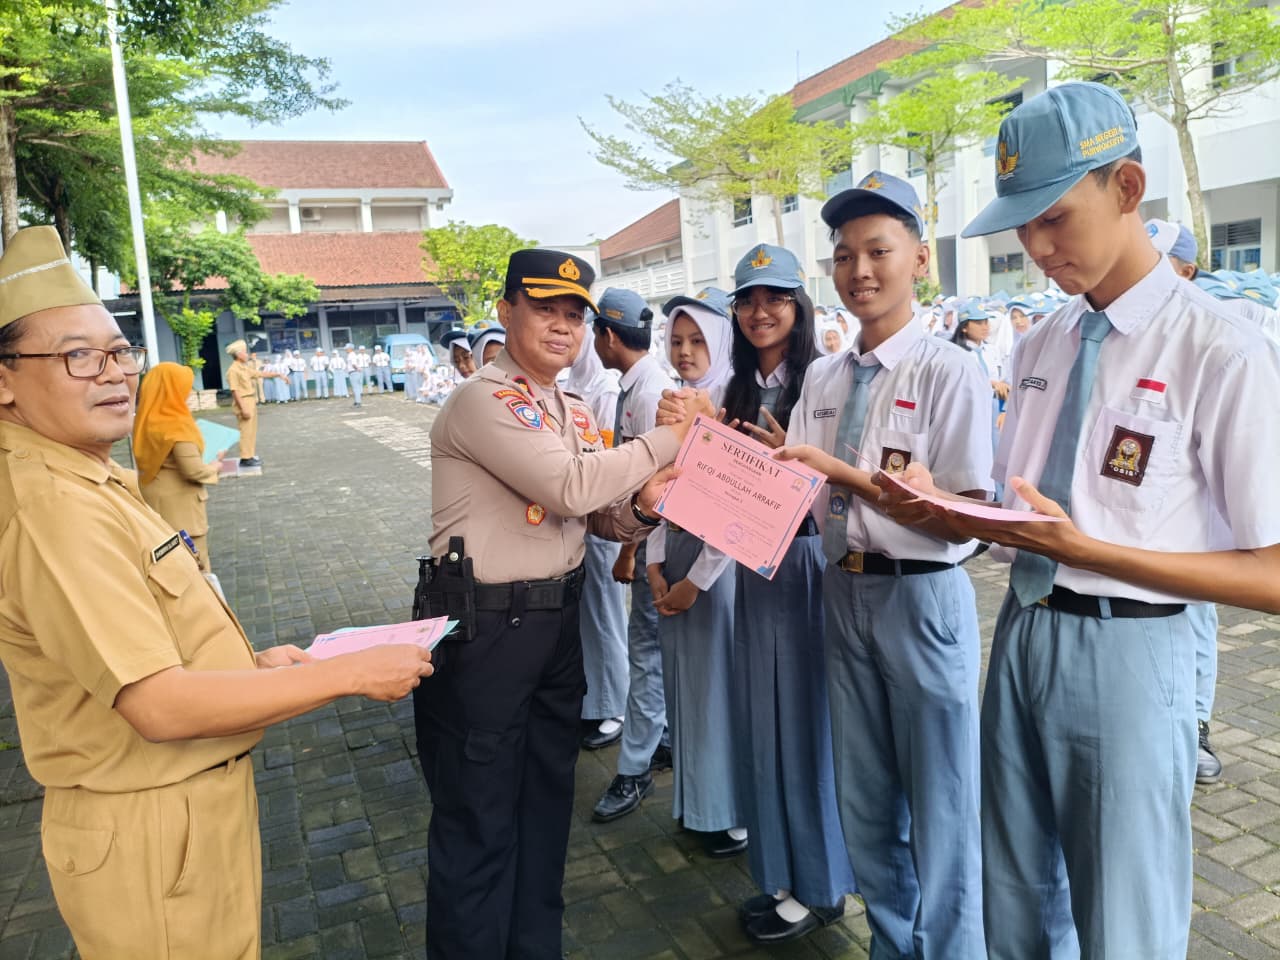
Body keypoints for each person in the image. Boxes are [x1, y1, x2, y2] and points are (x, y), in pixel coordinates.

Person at [884, 81, 1280, 959]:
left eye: (1055, 217)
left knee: (1122, 918)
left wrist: (1086, 549)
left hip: (1134, 650)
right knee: (1015, 893)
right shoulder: (1040, 346)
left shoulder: (1221, 350)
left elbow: (1271, 572)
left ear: (1128, 189)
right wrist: (946, 505)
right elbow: (1018, 507)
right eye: (1021, 226)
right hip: (1023, 632)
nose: (1036, 247)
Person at [0, 225, 434, 959]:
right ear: (5, 379)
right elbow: (159, 705)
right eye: (77, 356)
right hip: (150, 827)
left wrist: (247, 669)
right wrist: (348, 675)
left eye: (119, 352)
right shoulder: (54, 505)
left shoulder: (84, 474)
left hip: (181, 814)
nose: (112, 374)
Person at [414, 248, 707, 959]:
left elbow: (598, 515)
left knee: (544, 814)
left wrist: (644, 506)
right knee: (480, 824)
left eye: (575, 314)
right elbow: (572, 487)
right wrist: (671, 437)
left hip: (553, 625)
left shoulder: (569, 407)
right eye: (545, 308)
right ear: (507, 309)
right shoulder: (484, 398)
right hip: (486, 633)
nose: (562, 326)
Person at [775, 172, 993, 958]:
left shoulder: (947, 369)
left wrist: (856, 481)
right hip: (842, 594)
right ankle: (894, 945)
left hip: (922, 601)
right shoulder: (825, 378)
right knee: (865, 799)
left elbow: (971, 518)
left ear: (919, 259)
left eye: (878, 251)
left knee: (944, 802)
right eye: (843, 255)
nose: (859, 270)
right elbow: (795, 493)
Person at [694, 250, 857, 941]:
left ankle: (822, 887)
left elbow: (847, 481)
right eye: (747, 300)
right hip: (751, 570)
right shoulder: (730, 387)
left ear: (799, 307)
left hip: (805, 564)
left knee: (807, 730)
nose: (760, 312)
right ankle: (782, 874)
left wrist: (795, 461)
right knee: (762, 726)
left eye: (777, 299)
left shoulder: (823, 379)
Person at [644, 287, 748, 860]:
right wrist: (657, 565)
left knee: (717, 691)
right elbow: (663, 488)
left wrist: (694, 581)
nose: (685, 352)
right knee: (684, 690)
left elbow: (734, 514)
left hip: (714, 571)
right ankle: (696, 803)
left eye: (697, 341)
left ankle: (730, 813)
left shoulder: (730, 408)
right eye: (677, 341)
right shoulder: (676, 403)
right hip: (676, 561)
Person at [589, 287, 677, 823]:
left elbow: (653, 482)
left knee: (645, 654)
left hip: (653, 544)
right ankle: (660, 737)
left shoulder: (650, 394)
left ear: (607, 335)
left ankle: (635, 766)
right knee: (653, 653)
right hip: (646, 539)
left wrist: (630, 550)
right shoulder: (637, 385)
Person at [1145, 217, 1228, 786]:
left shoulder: (1220, 332)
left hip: (1202, 532)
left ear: (1187, 269)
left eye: (1160, 262)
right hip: (1149, 529)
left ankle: (1196, 726)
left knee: (1196, 624)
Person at [563, 332, 629, 749]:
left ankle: (616, 706)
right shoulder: (572, 387)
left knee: (606, 616)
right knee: (588, 617)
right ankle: (596, 701)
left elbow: (605, 455)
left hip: (603, 513)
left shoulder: (604, 391)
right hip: (576, 514)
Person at [133, 362, 222, 572]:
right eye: (186, 386)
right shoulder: (176, 424)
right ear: (172, 389)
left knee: (168, 563)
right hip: (181, 507)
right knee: (194, 566)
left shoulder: (146, 419)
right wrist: (215, 466)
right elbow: (193, 470)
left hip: (153, 498)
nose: (190, 392)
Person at [226, 338, 285, 467]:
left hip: (250, 400)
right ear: (239, 354)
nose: (247, 355)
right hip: (243, 401)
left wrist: (278, 374)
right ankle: (245, 458)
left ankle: (250, 455)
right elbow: (235, 391)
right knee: (246, 431)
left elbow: (259, 373)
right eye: (245, 352)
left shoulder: (244, 368)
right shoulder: (233, 370)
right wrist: (243, 409)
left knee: (251, 431)